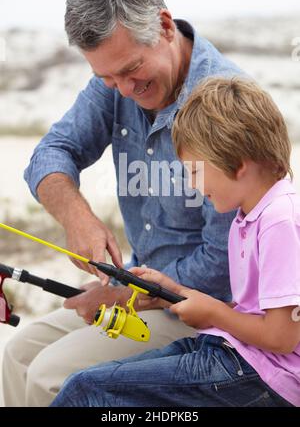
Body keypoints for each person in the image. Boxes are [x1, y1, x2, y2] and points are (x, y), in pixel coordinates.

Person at [2, 0, 243, 407]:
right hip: (137, 291)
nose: (125, 90)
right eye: (109, 79)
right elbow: (52, 152)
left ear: (165, 27)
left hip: (205, 312)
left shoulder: (224, 102)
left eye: (132, 71)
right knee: (18, 355)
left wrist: (125, 293)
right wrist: (78, 218)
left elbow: (225, 261)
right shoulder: (114, 80)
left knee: (48, 377)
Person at [51, 77, 300, 407]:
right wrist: (174, 294)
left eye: (195, 172)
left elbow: (282, 337)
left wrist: (213, 311)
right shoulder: (249, 216)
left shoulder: (280, 218)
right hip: (233, 353)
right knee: (91, 382)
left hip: (264, 377)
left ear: (238, 163)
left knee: (87, 390)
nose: (194, 185)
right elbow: (255, 315)